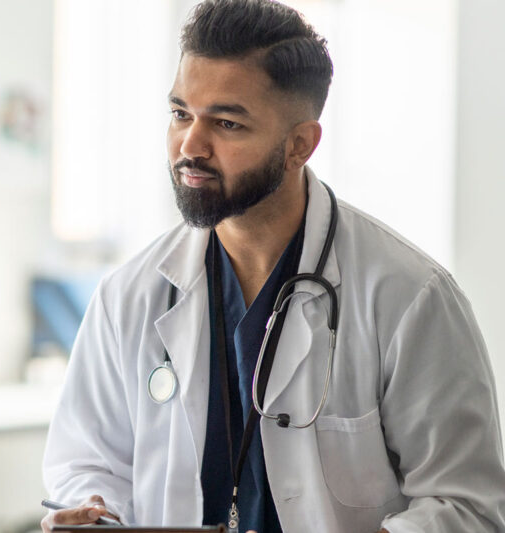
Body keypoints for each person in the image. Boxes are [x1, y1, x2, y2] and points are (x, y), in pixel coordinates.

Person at [41, 1, 505, 532]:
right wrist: (92, 515)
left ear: (299, 145)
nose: (190, 146)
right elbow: (84, 463)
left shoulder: (408, 297)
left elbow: (467, 506)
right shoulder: (130, 296)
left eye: (227, 122)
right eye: (180, 114)